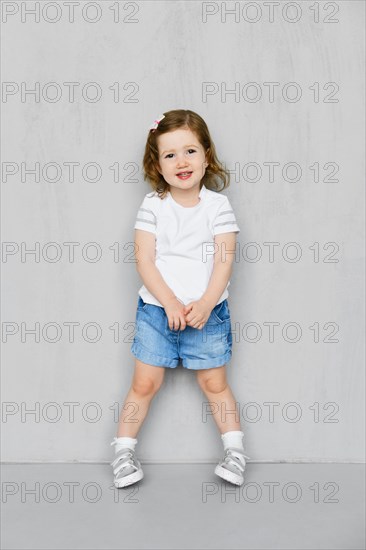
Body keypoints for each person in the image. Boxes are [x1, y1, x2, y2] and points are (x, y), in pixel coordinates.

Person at [110, 109, 250, 489]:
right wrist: (170, 302)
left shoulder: (217, 206)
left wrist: (205, 303)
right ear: (158, 163)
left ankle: (235, 452)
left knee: (214, 383)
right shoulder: (153, 205)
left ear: (206, 154)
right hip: (158, 312)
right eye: (170, 154)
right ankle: (123, 452)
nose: (181, 162)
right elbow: (144, 258)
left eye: (190, 151)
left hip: (208, 312)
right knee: (144, 383)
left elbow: (225, 259)